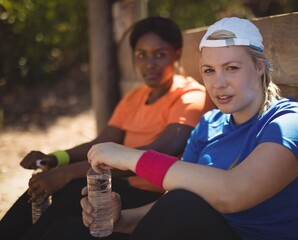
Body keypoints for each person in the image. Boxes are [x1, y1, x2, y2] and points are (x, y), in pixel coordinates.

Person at [74, 17, 298, 240]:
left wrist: (130, 157)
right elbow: (169, 203)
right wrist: (119, 220)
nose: (219, 83)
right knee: (69, 221)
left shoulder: (289, 120)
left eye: (231, 68)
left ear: (259, 67)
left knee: (182, 203)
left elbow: (232, 193)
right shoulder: (209, 123)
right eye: (209, 71)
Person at [0, 16, 213, 240]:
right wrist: (56, 160)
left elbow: (163, 150)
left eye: (160, 54)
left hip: (154, 198)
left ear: (177, 53)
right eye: (141, 55)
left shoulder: (190, 96)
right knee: (49, 189)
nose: (150, 64)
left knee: (72, 190)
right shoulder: (135, 97)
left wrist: (67, 173)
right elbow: (100, 142)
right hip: (121, 185)